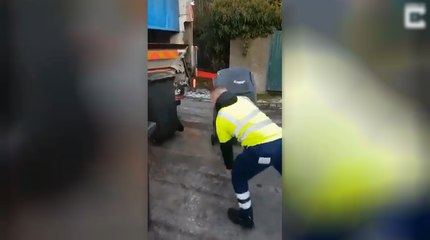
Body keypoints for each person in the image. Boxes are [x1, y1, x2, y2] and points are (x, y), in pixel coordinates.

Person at [210, 86, 282, 229]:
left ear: (215, 100)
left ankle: (246, 217)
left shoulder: (221, 117)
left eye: (211, 100)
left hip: (262, 149)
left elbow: (226, 147)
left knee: (238, 175)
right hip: (282, 139)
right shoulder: (244, 99)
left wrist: (229, 166)